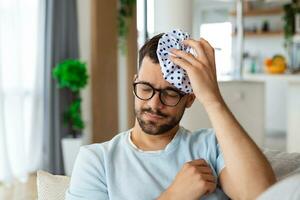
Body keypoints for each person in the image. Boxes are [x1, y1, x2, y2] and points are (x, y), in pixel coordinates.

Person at [65, 33, 276, 200]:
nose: (154, 104)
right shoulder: (96, 160)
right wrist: (174, 196)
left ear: (190, 98)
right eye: (146, 88)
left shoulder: (213, 145)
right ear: (134, 83)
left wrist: (213, 99)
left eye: (170, 93)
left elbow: (261, 194)